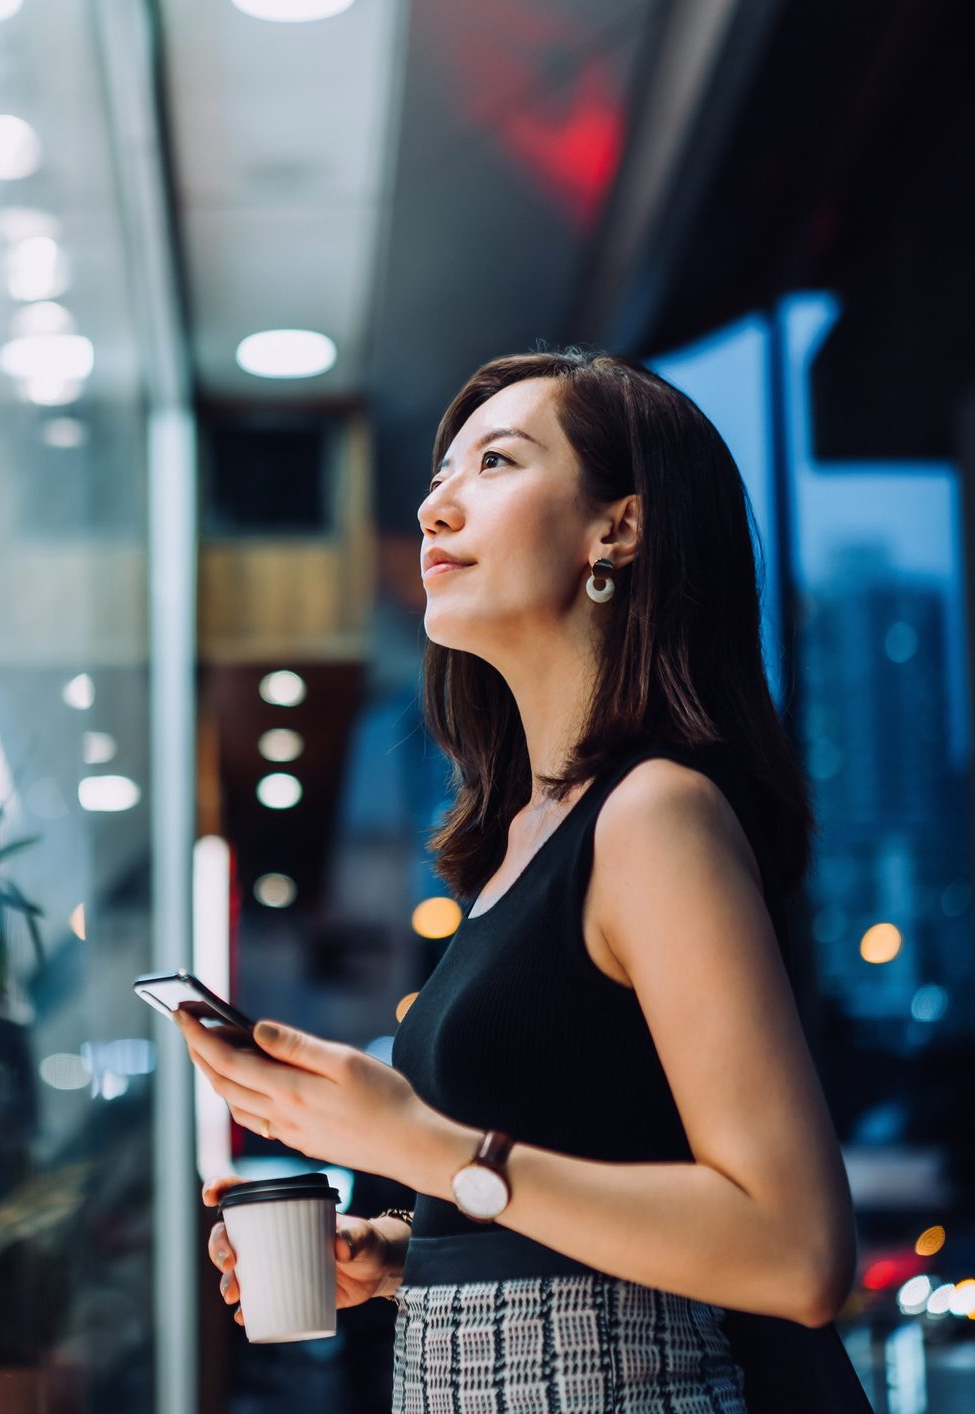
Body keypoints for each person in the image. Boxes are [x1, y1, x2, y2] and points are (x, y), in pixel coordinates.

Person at [177, 351, 866, 1413]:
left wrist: (424, 1147)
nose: (435, 505)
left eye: (494, 463)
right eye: (440, 473)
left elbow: (797, 1249)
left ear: (618, 529)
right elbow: (600, 1169)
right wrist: (407, 1251)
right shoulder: (523, 841)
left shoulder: (654, 814)